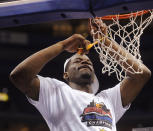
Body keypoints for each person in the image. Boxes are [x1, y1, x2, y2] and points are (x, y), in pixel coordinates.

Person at [9, 29, 151, 130]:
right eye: (77, 61)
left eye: (89, 62)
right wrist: (62, 45)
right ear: (66, 75)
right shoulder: (57, 92)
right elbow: (19, 76)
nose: (85, 62)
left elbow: (142, 74)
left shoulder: (108, 99)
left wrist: (105, 42)